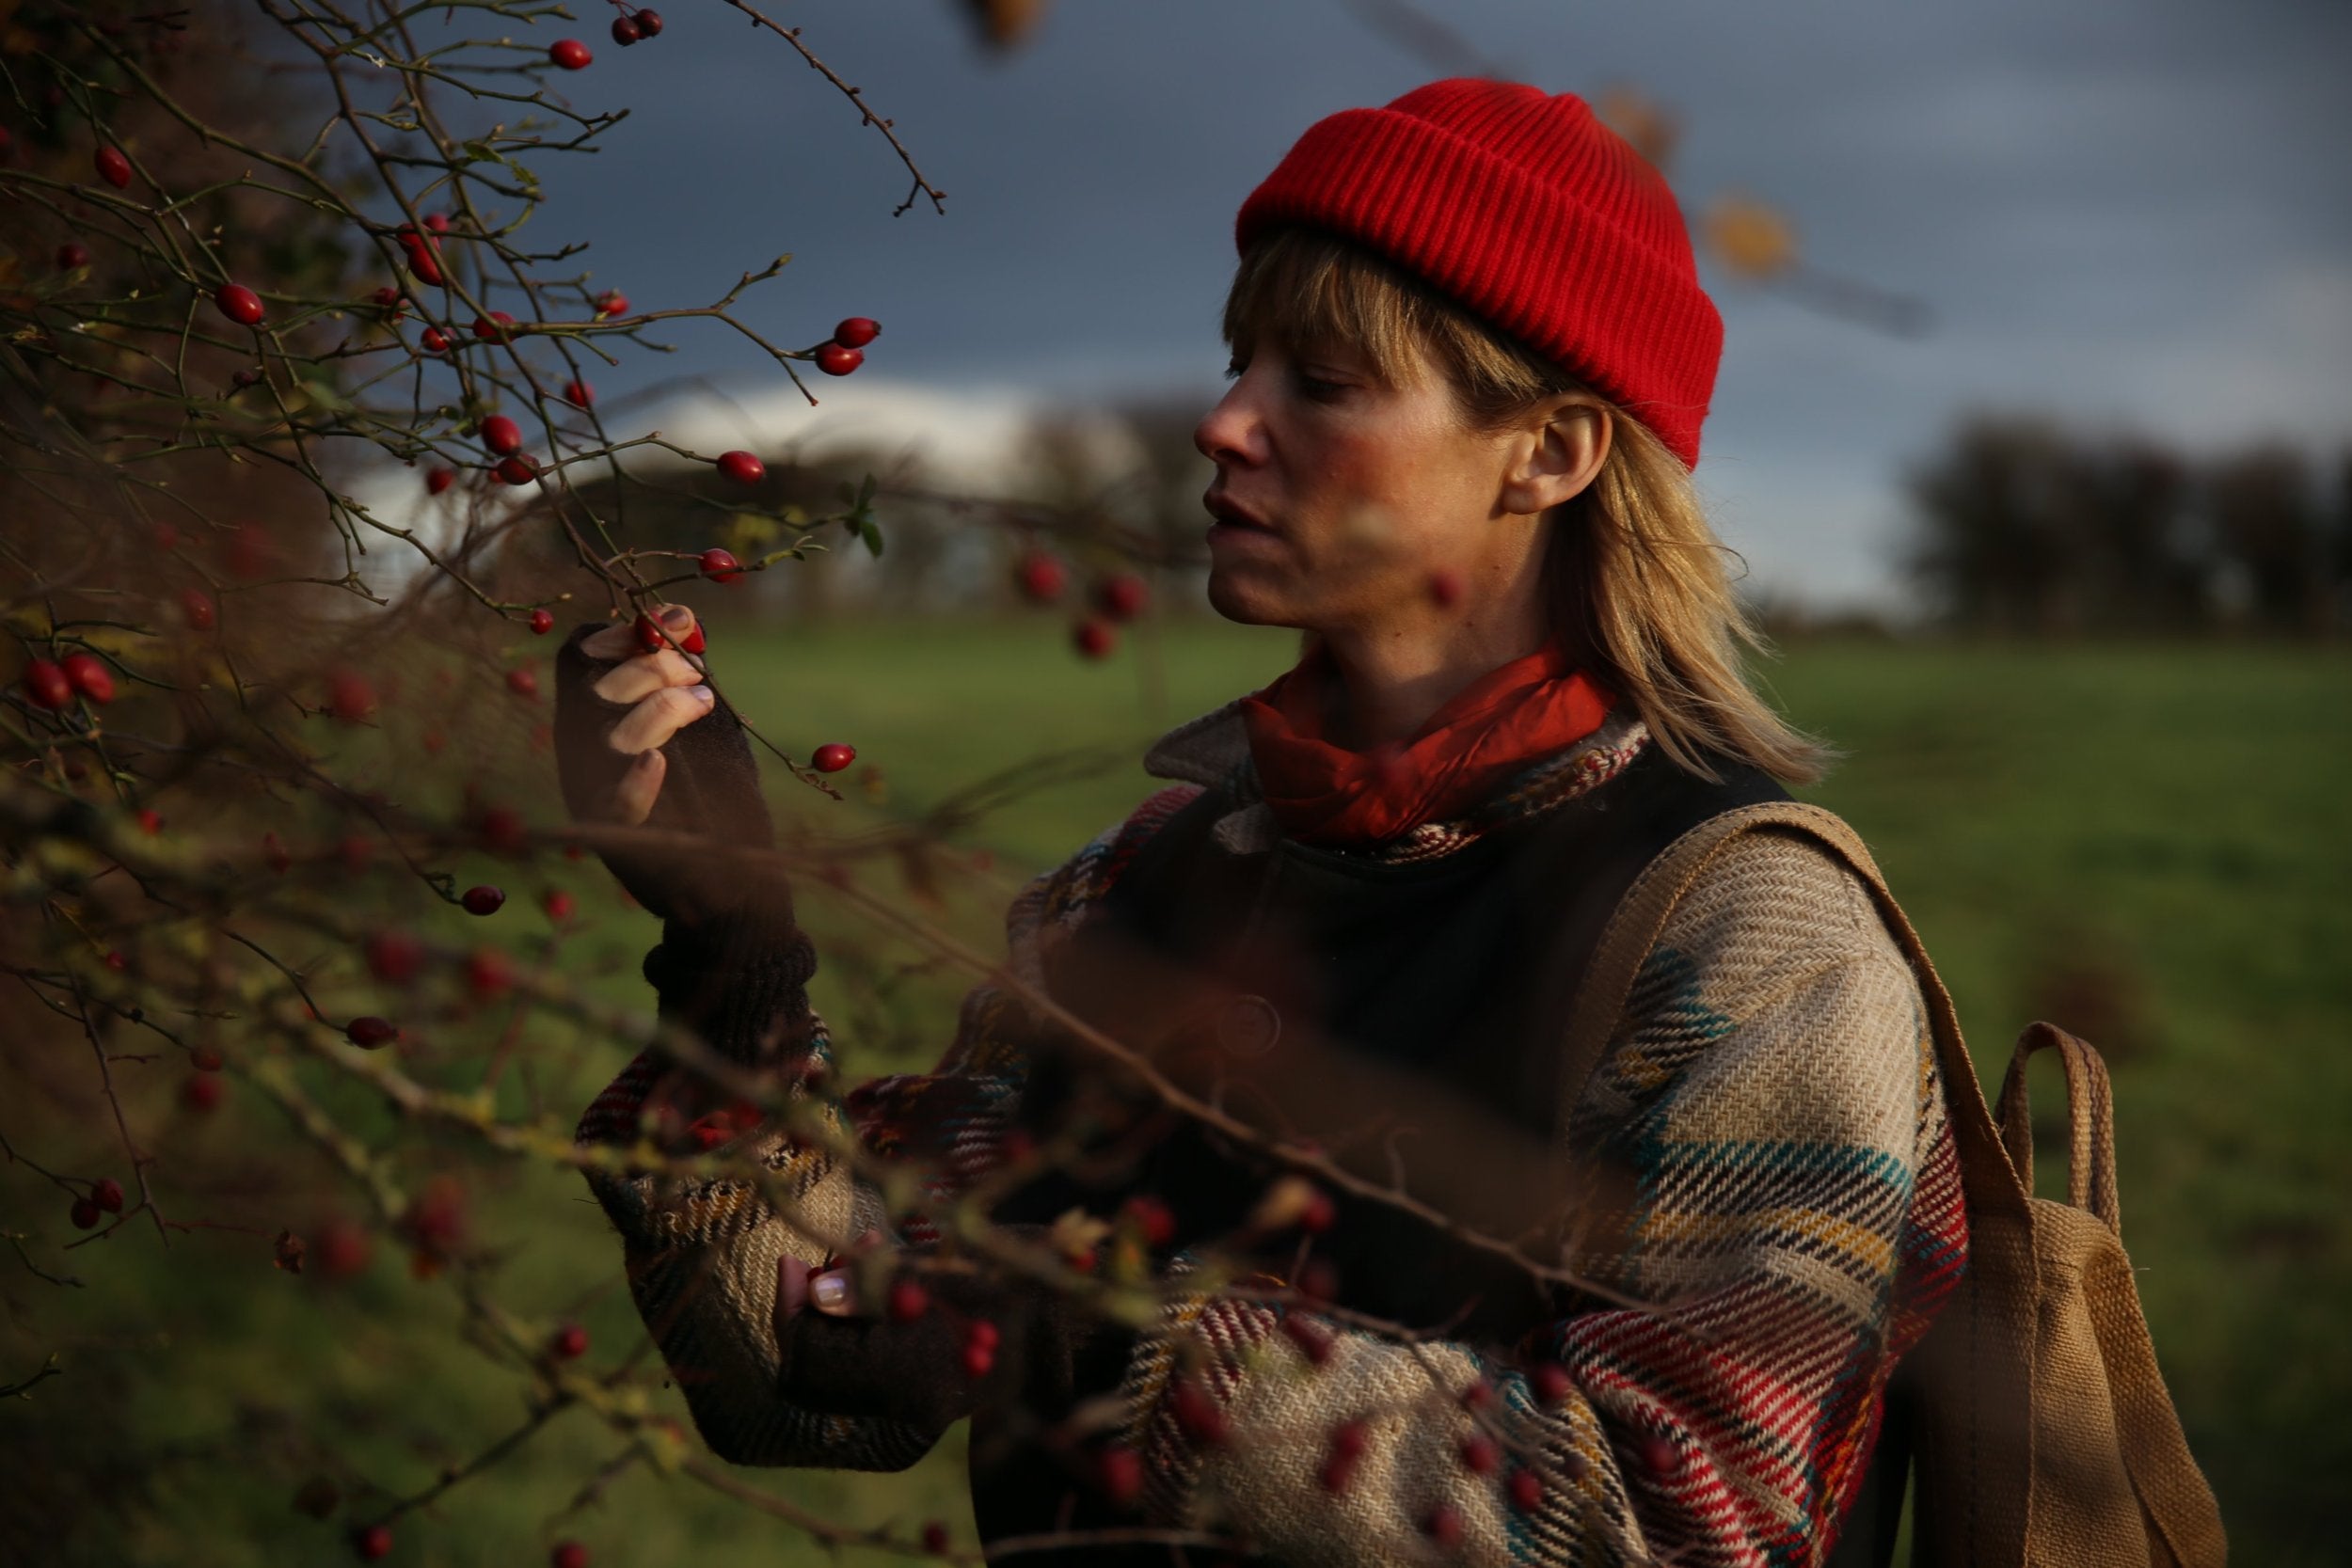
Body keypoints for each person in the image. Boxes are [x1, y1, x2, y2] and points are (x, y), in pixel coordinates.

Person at [556, 79, 1964, 1568]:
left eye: (1326, 380)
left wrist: (1110, 1349)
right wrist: (729, 955)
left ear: (1548, 452)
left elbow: (1695, 1521)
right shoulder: (1141, 892)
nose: (1225, 423)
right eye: (1242, 363)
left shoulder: (1748, 936)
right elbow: (812, 1372)